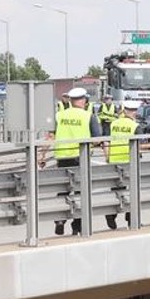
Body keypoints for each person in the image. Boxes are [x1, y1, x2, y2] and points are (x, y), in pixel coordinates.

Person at [52, 87, 102, 236]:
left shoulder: (59, 115)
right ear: (83, 100)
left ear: (71, 101)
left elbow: (51, 134)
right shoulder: (89, 116)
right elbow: (97, 137)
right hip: (80, 158)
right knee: (82, 192)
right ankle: (77, 226)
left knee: (63, 190)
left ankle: (60, 220)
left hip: (62, 157)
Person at [105, 99, 144, 229]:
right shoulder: (135, 126)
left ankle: (110, 215)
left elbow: (106, 142)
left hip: (114, 161)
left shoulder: (114, 123)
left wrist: (107, 157)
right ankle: (131, 220)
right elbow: (140, 145)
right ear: (133, 112)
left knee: (116, 191)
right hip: (129, 161)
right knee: (133, 191)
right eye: (134, 111)